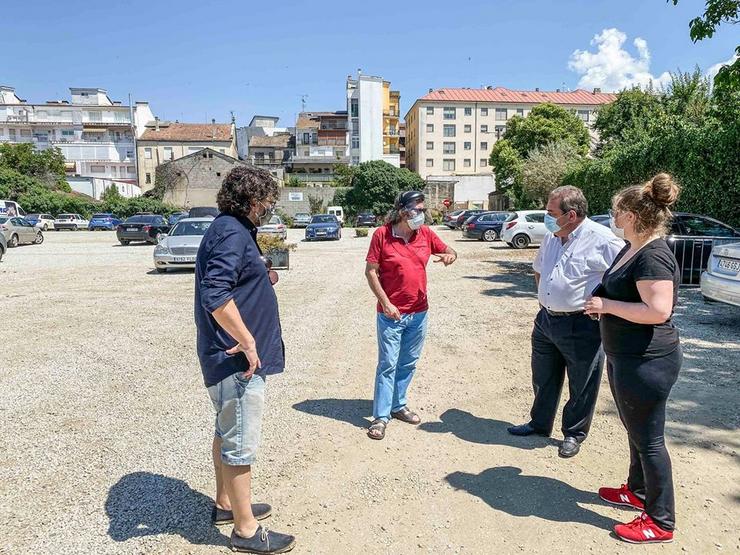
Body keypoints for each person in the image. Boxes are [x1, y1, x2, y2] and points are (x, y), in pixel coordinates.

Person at [194, 165, 295, 554]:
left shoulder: (231, 230)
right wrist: (249, 342)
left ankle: (226, 504)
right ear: (253, 201)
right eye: (268, 200)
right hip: (237, 361)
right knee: (239, 441)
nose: (269, 207)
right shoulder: (231, 233)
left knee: (225, 432)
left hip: (225, 358)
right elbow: (216, 295)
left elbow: (230, 281)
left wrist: (260, 276)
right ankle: (245, 530)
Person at [585, 173, 682, 544]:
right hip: (627, 355)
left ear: (631, 214)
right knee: (636, 431)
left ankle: (660, 521)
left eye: (615, 210)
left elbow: (658, 310)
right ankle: (637, 490)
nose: (612, 215)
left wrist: (607, 304)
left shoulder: (654, 255)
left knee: (650, 439)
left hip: (648, 360)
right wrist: (602, 302)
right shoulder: (633, 247)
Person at [508, 186, 624, 458]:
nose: (546, 218)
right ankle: (539, 423)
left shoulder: (603, 240)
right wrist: (545, 302)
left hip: (581, 324)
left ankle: (573, 433)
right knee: (543, 376)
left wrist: (606, 306)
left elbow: (623, 276)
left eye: (550, 212)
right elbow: (539, 270)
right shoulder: (552, 236)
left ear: (571, 215)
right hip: (546, 320)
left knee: (582, 382)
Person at [365, 191, 457, 440]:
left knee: (408, 362)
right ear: (404, 211)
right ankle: (380, 417)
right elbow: (371, 272)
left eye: (423, 209)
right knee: (387, 365)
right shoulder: (382, 235)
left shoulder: (425, 234)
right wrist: (385, 303)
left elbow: (449, 250)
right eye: (418, 209)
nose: (422, 213)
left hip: (419, 313)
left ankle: (398, 405)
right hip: (391, 315)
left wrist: (450, 255)